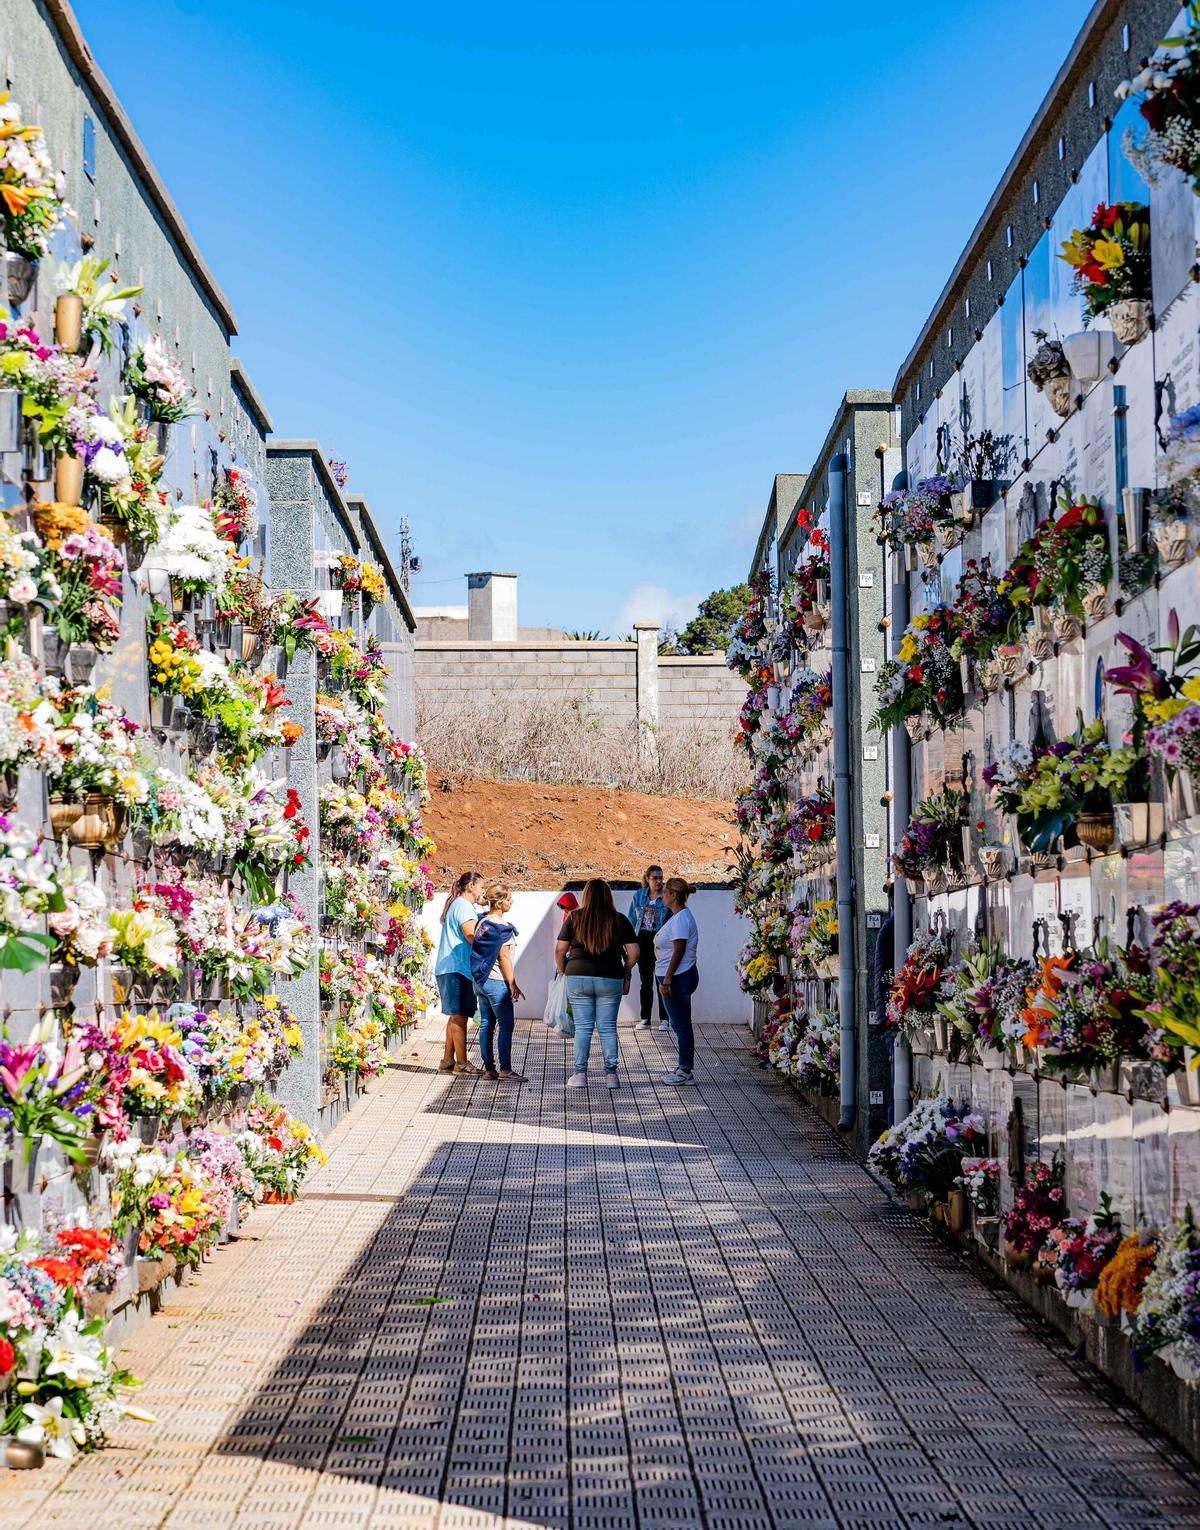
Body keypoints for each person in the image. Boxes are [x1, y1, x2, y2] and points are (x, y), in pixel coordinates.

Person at [556, 878, 639, 1090]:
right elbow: (634, 953)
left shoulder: (575, 917)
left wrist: (563, 969)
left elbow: (559, 949)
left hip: (578, 976)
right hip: (611, 977)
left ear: (586, 896)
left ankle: (580, 1075)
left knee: (583, 1027)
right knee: (608, 1027)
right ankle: (611, 1076)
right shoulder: (619, 920)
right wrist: (626, 970)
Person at [464, 881, 526, 1083]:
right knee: (506, 1024)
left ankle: (489, 1069)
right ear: (499, 903)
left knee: (486, 1023)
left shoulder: (481, 923)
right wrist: (513, 984)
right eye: (508, 899)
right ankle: (506, 1069)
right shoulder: (502, 928)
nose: (512, 902)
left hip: (480, 981)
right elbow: (504, 958)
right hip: (497, 982)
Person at [433, 870, 483, 1075]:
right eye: (481, 887)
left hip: (451, 968)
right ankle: (462, 1062)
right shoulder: (464, 907)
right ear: (471, 887)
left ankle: (447, 1061)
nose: (482, 892)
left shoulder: (458, 905)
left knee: (456, 1016)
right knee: (460, 1016)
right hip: (457, 968)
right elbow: (471, 935)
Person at [655, 878, 700, 1086]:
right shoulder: (678, 917)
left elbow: (679, 950)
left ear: (674, 895)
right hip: (676, 976)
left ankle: (685, 1070)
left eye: (665, 892)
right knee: (681, 1025)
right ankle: (684, 1067)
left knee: (681, 1026)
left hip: (678, 977)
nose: (662, 895)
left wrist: (668, 979)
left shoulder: (681, 919)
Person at [627, 866, 668, 1031]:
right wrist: (629, 941)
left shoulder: (666, 896)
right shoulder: (639, 896)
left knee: (662, 980)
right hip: (642, 939)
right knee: (646, 981)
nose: (659, 881)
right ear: (647, 878)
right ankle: (645, 1018)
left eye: (661, 878)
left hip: (660, 940)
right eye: (655, 878)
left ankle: (665, 1018)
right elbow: (631, 919)